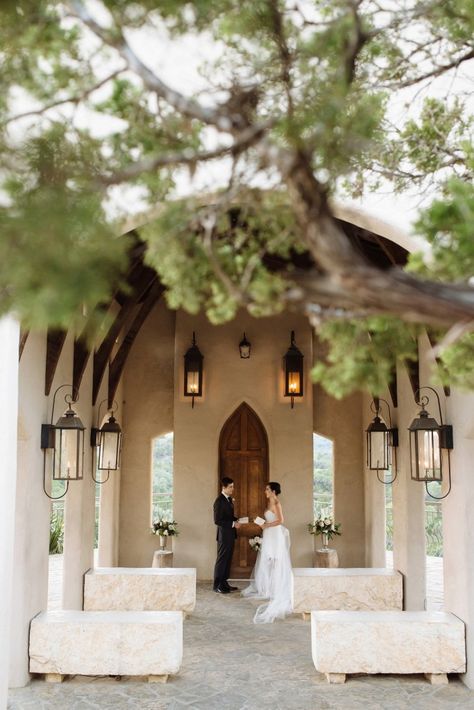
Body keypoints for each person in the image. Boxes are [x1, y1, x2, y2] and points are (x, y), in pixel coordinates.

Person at [241, 481, 293, 623]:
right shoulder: (269, 503)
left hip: (275, 535)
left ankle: (276, 589)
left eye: (267, 489)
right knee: (268, 560)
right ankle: (268, 588)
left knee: (275, 560)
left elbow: (281, 520)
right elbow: (271, 518)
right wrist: (261, 522)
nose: (265, 491)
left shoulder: (276, 503)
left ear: (274, 491)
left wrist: (266, 525)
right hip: (269, 534)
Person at [213, 476, 241, 594]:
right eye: (230, 487)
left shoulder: (228, 499)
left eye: (233, 486)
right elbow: (217, 520)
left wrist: (237, 519)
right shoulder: (219, 501)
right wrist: (233, 523)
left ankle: (224, 583)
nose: (232, 489)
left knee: (228, 560)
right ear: (223, 487)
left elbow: (227, 517)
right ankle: (217, 585)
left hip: (230, 535)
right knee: (222, 560)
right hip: (224, 536)